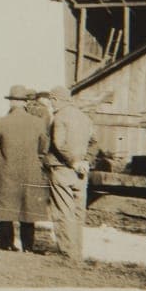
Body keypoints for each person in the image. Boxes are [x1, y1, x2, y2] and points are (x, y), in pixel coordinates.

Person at [0, 85, 50, 252]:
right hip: (30, 171)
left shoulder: (1, 122)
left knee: (4, 208)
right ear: (26, 102)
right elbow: (44, 148)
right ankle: (28, 246)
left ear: (11, 102)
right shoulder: (39, 123)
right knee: (28, 209)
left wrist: (1, 155)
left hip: (5, 170)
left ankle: (7, 244)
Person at [46, 85, 96, 261]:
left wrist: (73, 161)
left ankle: (66, 251)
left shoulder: (59, 117)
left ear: (56, 99)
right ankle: (77, 251)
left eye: (51, 101)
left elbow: (59, 144)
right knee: (78, 212)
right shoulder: (84, 117)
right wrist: (85, 161)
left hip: (63, 168)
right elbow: (94, 142)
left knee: (62, 211)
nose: (51, 104)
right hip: (81, 171)